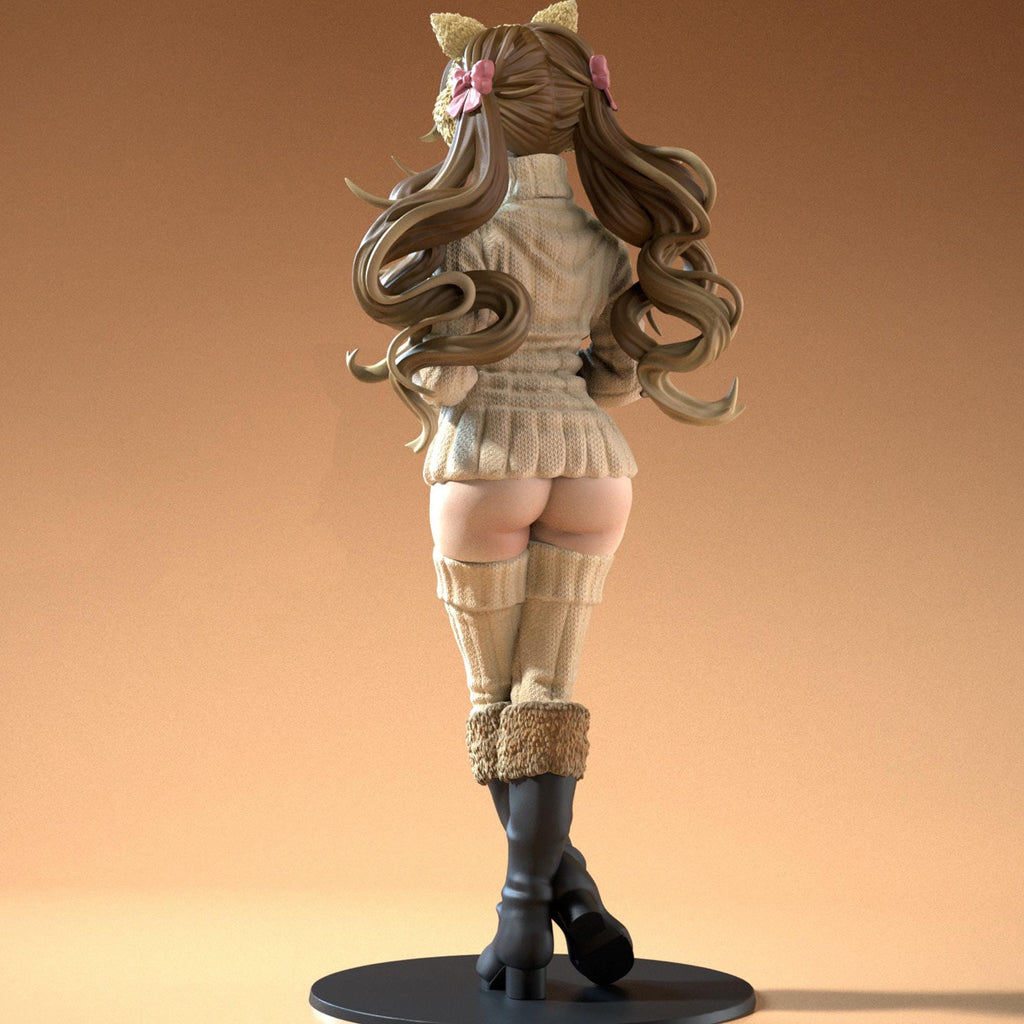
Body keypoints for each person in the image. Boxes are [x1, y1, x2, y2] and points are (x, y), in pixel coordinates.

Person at [347, 0, 742, 1000]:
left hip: (487, 464)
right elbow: (613, 379)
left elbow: (449, 381)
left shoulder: (457, 235)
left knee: (496, 707)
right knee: (546, 696)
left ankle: (525, 918)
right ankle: (568, 898)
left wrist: (430, 354)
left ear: (468, 107)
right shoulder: (606, 243)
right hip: (594, 467)